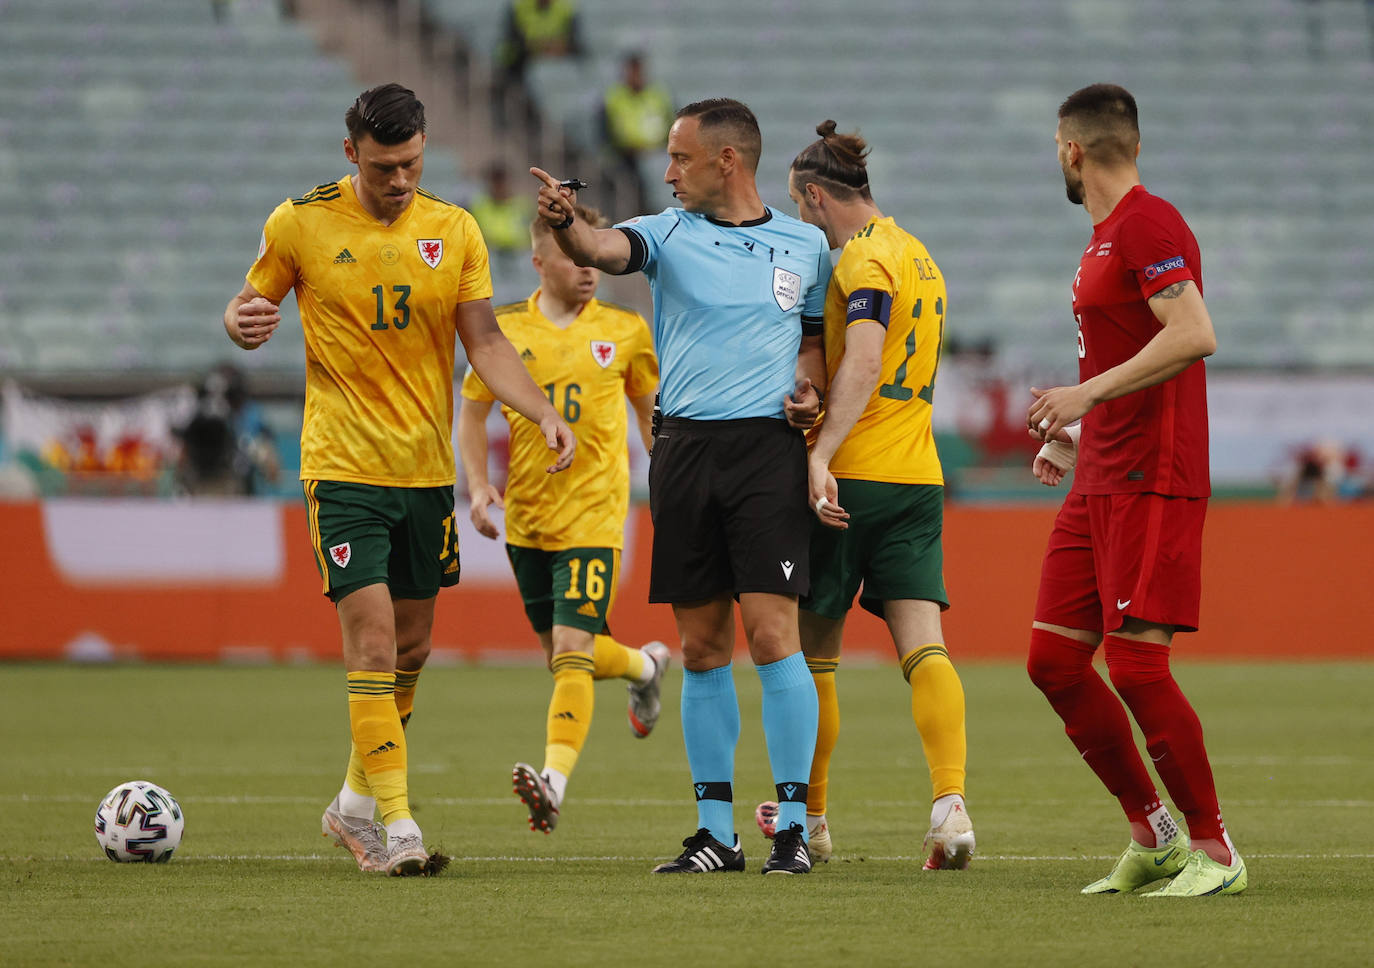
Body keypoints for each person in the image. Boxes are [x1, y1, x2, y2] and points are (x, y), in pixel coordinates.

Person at [222, 83, 575, 877]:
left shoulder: (453, 231)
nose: (401, 180)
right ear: (352, 153)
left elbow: (483, 342)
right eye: (385, 167)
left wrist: (539, 411)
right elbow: (249, 306)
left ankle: (349, 805)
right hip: (342, 468)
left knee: (412, 647)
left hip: (423, 475)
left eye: (412, 163)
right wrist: (237, 322)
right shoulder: (299, 222)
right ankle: (396, 824)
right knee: (374, 641)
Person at [531, 97, 832, 875]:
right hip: (685, 451)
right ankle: (716, 834)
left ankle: (793, 827)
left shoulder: (804, 246)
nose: (667, 172)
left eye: (681, 158)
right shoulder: (666, 233)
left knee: (773, 636)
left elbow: (812, 346)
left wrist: (808, 389)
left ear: (727, 161)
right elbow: (600, 247)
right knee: (702, 648)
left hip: (767, 452)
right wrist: (565, 220)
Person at [1025, 83, 1245, 896]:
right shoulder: (1107, 237)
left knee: (1138, 667)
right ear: (1136, 144)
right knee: (1053, 661)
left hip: (1153, 473)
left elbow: (1194, 333)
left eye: (1058, 148)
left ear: (1072, 150)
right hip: (1103, 471)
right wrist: (1077, 430)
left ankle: (1216, 850)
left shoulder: (1148, 225)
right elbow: (1132, 349)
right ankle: (1153, 836)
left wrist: (1081, 399)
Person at [754, 121, 975, 871]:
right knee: (925, 647)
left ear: (817, 195)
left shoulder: (864, 258)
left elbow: (868, 357)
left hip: (854, 476)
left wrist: (820, 451)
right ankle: (951, 806)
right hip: (918, 476)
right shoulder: (922, 255)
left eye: (800, 206)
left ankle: (809, 820)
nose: (801, 221)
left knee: (814, 657)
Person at [456, 203, 668, 835]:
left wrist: (670, 481)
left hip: (598, 514)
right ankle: (647, 668)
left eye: (592, 256)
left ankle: (552, 783)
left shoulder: (626, 330)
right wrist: (477, 486)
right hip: (527, 518)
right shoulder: (503, 331)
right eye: (572, 257)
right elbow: (471, 413)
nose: (587, 269)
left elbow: (650, 413)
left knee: (572, 653)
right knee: (564, 657)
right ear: (540, 260)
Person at [599, 52, 674, 214]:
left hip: (658, 152)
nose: (635, 76)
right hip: (626, 155)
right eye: (632, 71)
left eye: (638, 71)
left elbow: (673, 126)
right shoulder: (614, 97)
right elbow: (605, 133)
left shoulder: (659, 95)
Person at [468, 163, 536, 276]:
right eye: (496, 182)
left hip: (519, 253)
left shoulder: (523, 205)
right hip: (492, 254)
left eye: (502, 182)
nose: (499, 186)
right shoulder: (479, 206)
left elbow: (533, 233)